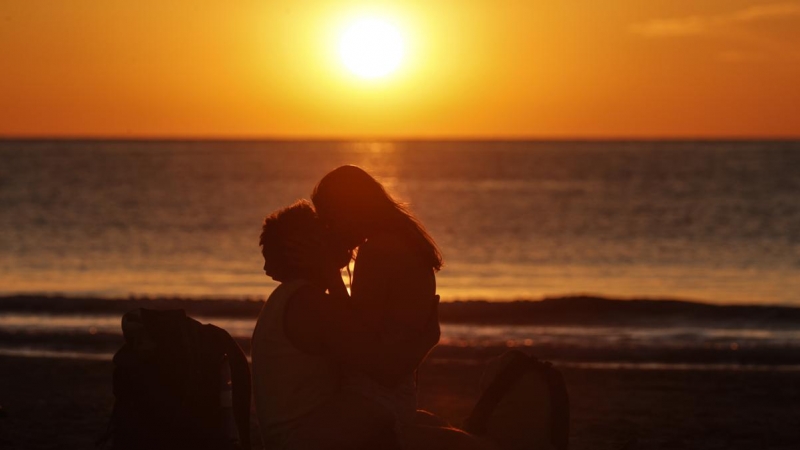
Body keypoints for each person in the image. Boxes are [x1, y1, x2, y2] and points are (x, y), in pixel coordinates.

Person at [252, 200, 496, 450]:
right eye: (325, 230)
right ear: (302, 247)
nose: (338, 235)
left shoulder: (294, 298)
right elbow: (384, 371)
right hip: (310, 439)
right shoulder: (310, 305)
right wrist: (427, 340)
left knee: (434, 424)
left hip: (317, 431)